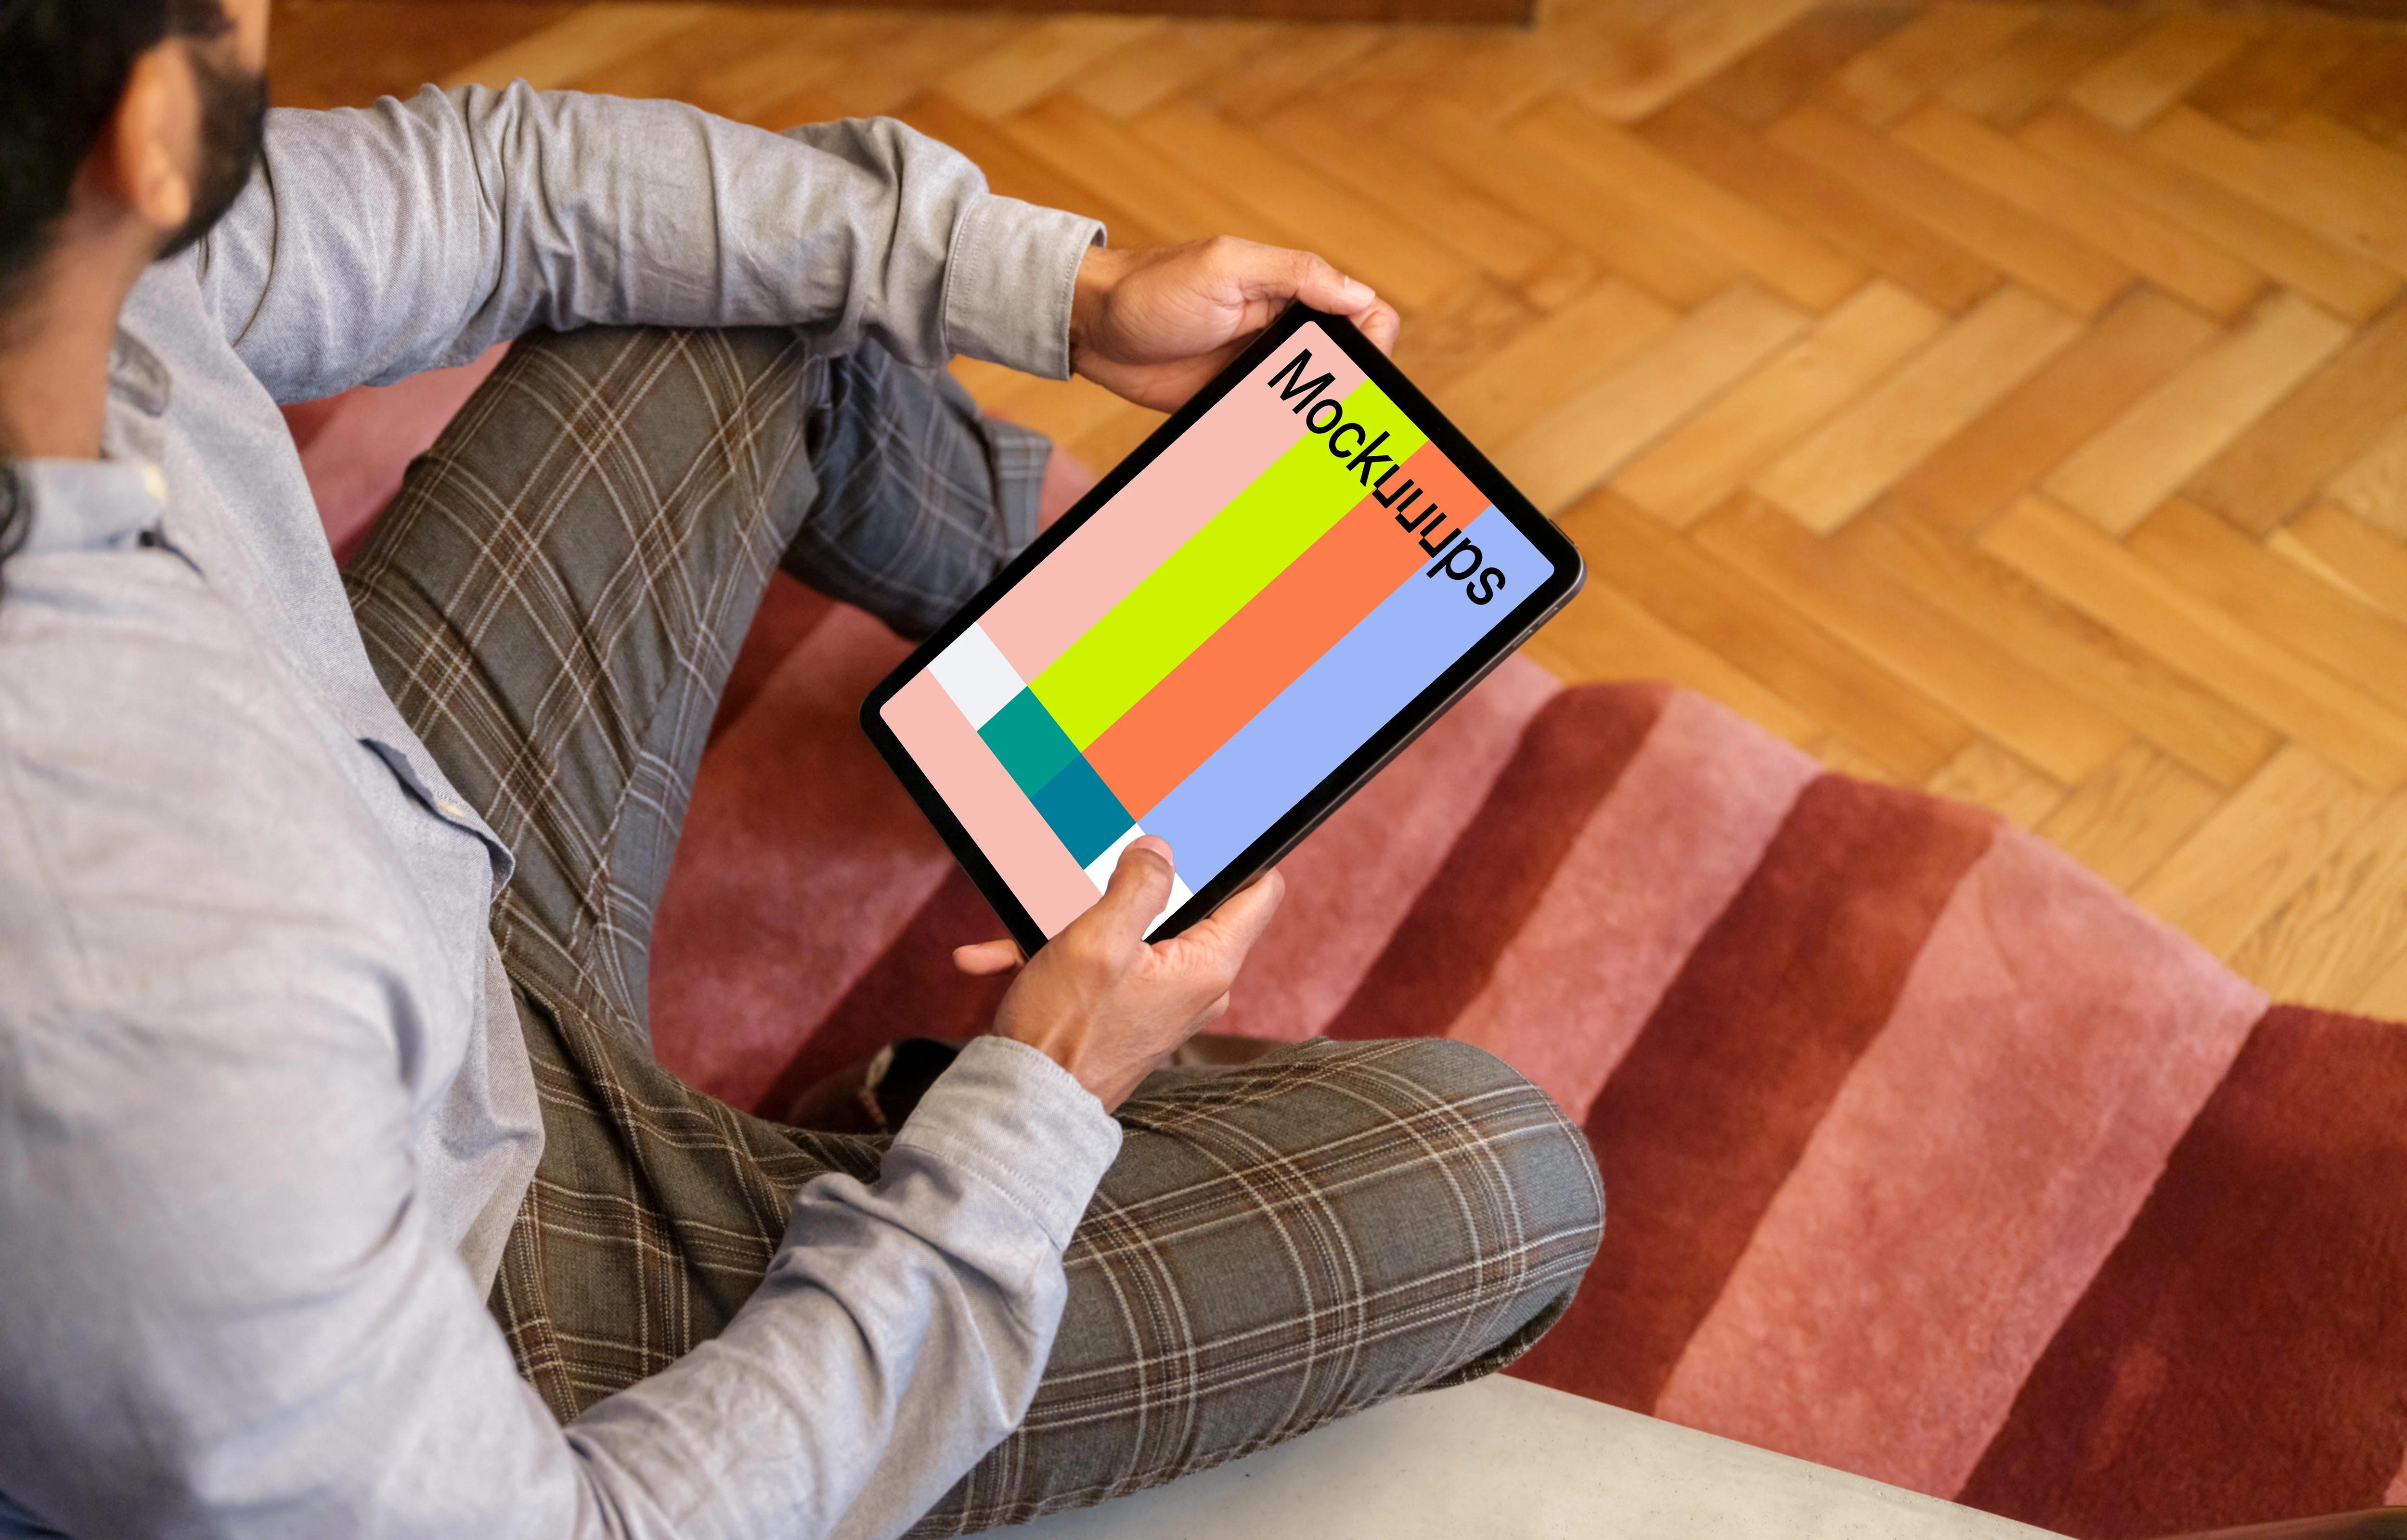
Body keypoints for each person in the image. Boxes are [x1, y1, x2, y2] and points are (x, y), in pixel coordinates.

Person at [0, 0, 1606, 1535]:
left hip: (386, 856)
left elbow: (507, 189)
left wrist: (1080, 291)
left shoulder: (82, 273)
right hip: (485, 1305)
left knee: (758, 279)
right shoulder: (127, 1030)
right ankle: (906, 1118)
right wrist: (1037, 1106)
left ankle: (1088, 628)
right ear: (143, 134)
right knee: (1503, 1183)